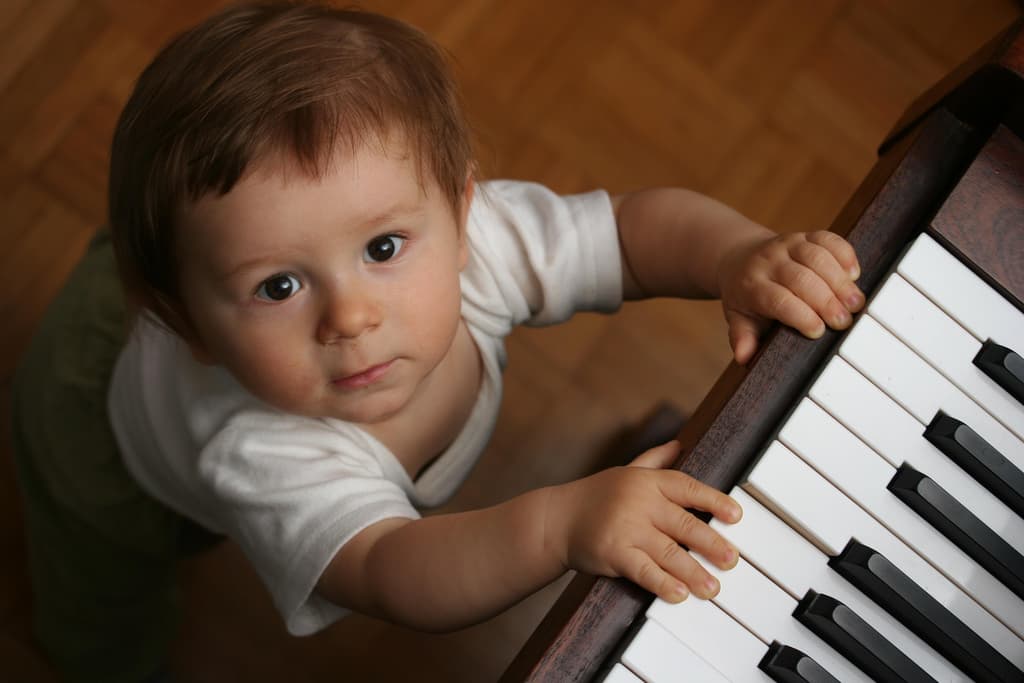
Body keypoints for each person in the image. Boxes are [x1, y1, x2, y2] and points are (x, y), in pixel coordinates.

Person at [10, 1, 865, 680]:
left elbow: (628, 230)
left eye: (382, 249)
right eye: (280, 285)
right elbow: (390, 563)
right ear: (189, 325)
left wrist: (736, 254)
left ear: (460, 212)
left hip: (183, 274)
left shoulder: (476, 243)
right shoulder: (262, 449)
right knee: (105, 586)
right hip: (97, 430)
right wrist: (561, 525)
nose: (350, 316)